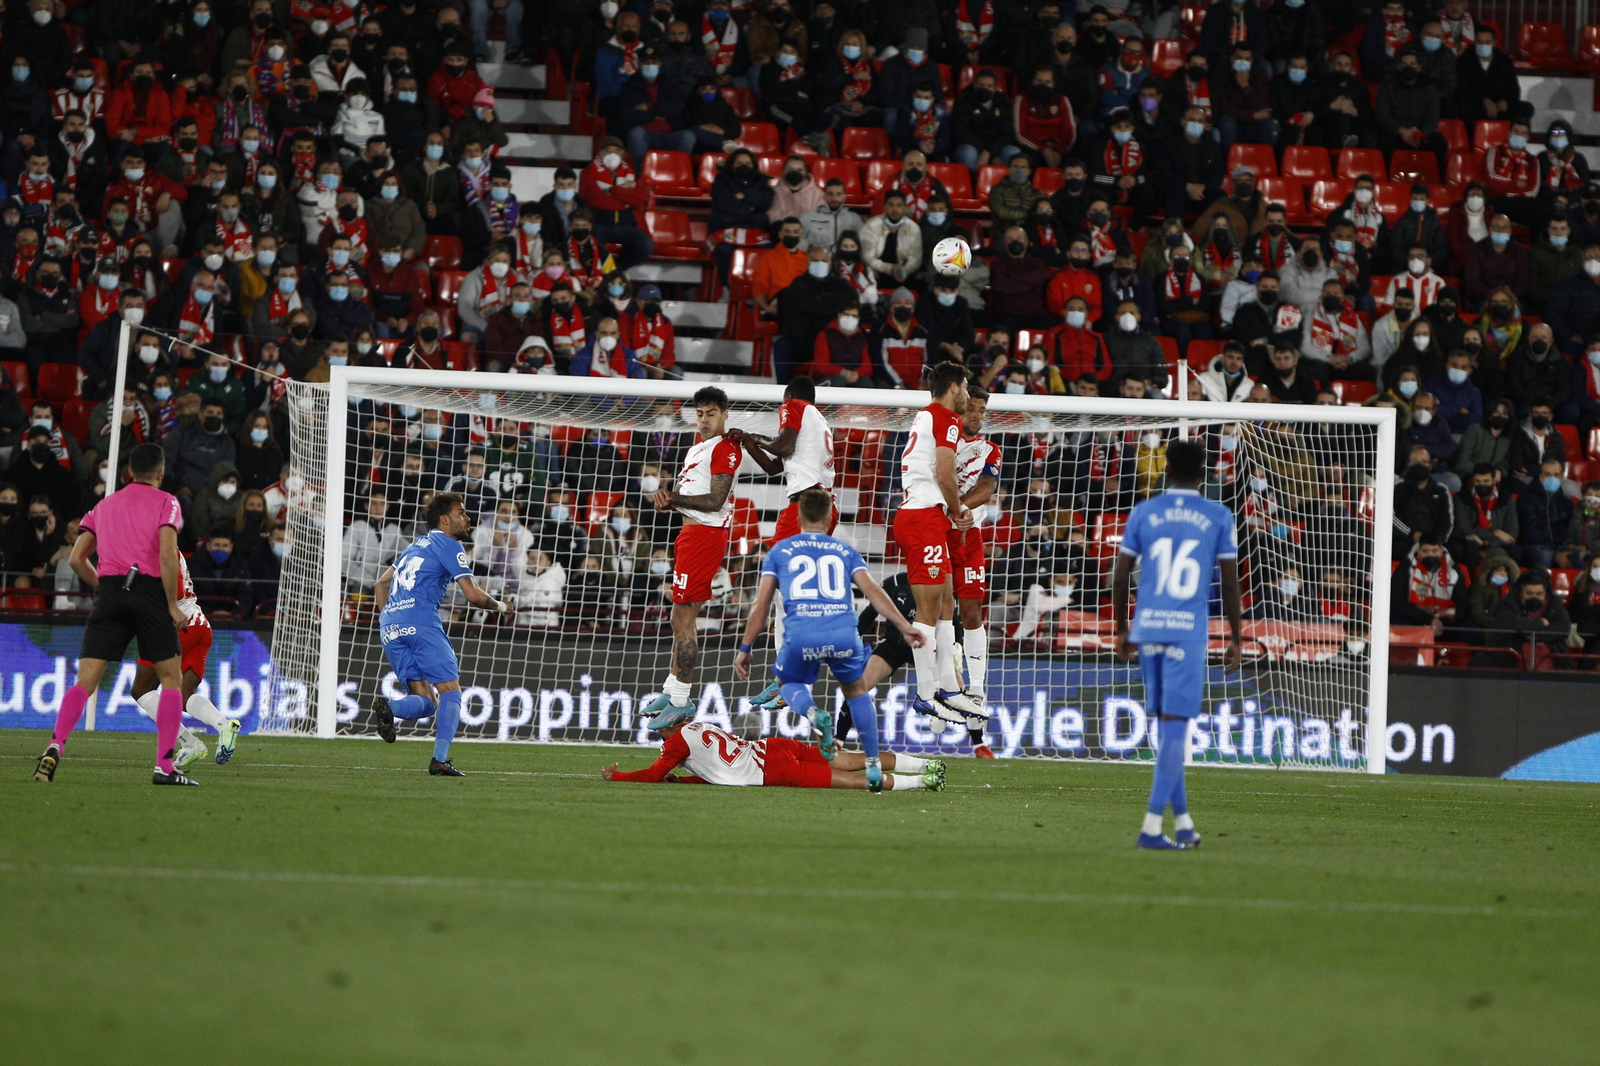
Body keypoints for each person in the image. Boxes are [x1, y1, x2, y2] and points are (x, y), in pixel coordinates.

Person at [723, 486, 930, 790]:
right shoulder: (845, 551)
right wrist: (904, 624)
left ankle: (812, 713)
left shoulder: (780, 551)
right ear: (830, 515)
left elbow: (762, 604)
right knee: (857, 693)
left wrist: (745, 647)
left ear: (798, 515)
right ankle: (873, 766)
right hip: (843, 632)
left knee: (788, 683)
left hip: (801, 633)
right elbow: (874, 592)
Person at [34, 445, 195, 785]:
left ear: (128, 473)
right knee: (170, 679)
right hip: (149, 593)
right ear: (161, 473)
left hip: (109, 593)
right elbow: (167, 557)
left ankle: (55, 744)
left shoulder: (103, 506)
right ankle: (165, 767)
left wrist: (104, 588)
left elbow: (77, 559)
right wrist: (170, 605)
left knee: (85, 682)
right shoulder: (167, 502)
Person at [1112, 439, 1243, 850]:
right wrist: (1237, 636)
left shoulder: (1144, 511)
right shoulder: (1218, 514)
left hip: (1148, 627)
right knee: (1175, 729)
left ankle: (1184, 823)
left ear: (1165, 470)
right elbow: (1230, 580)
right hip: (1187, 631)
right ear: (1204, 473)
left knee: (1168, 727)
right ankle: (1152, 827)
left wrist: (1121, 629)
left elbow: (1119, 575)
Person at [369, 492, 515, 776]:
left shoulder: (414, 546)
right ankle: (439, 759)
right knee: (450, 692)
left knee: (426, 703)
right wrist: (500, 606)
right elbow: (472, 595)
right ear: (445, 520)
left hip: (389, 626)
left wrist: (392, 618)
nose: (468, 517)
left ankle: (390, 707)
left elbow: (379, 585)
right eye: (462, 513)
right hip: (421, 620)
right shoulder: (450, 544)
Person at [640, 388, 743, 722]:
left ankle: (681, 698)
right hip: (691, 534)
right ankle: (671, 689)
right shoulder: (697, 447)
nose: (703, 420)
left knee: (684, 620)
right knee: (677, 618)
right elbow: (689, 495)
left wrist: (674, 500)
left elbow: (715, 500)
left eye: (710, 413)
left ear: (725, 415)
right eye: (699, 413)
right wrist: (668, 499)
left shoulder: (726, 448)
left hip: (705, 535)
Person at [890, 362, 981, 732]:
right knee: (928, 612)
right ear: (954, 387)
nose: (969, 396)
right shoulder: (944, 416)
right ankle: (925, 694)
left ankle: (947, 687)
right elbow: (944, 473)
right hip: (922, 517)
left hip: (927, 516)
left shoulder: (928, 416)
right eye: (967, 388)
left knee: (946, 606)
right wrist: (959, 510)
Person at [601, 713, 944, 791]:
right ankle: (928, 764)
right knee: (854, 760)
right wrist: (686, 782)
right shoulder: (699, 725)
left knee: (848, 781)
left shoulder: (676, 742)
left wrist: (616, 776)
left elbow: (652, 775)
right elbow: (717, 769)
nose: (658, 730)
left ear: (667, 725)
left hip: (771, 771)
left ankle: (923, 783)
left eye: (658, 724)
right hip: (773, 747)